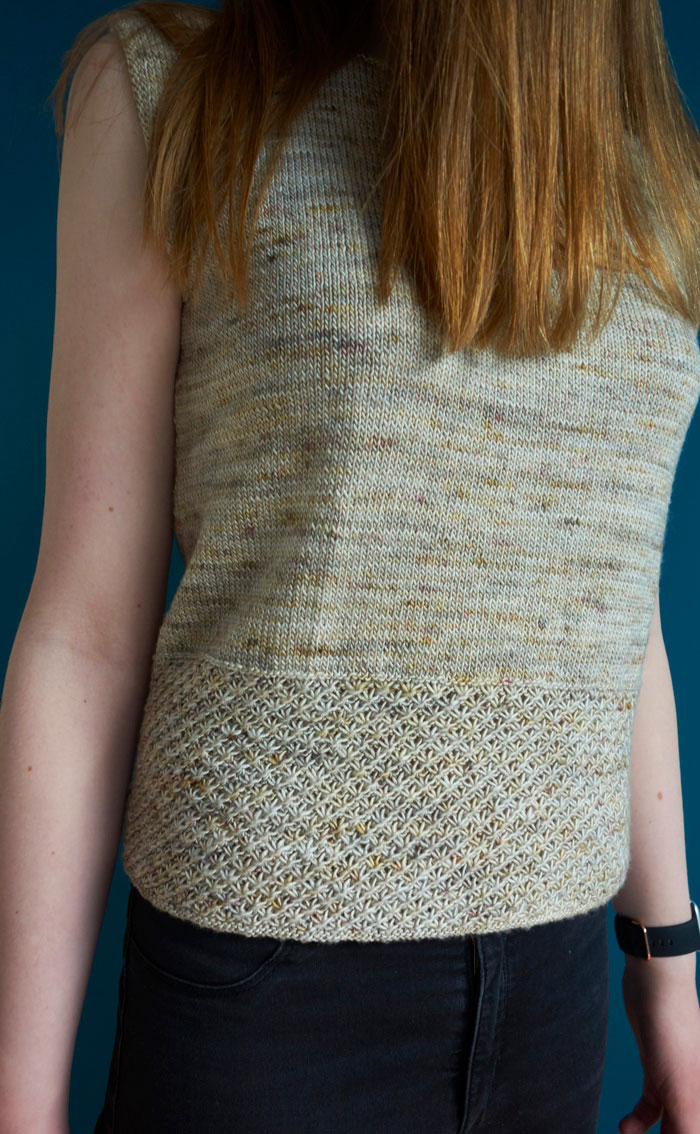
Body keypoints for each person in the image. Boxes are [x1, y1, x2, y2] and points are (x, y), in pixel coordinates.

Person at [1, 1, 700, 1131]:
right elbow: (86, 636)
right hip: (270, 1004)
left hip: (557, 994)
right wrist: (18, 1103)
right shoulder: (182, 98)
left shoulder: (651, 181)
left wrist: (665, 961)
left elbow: (615, 610)